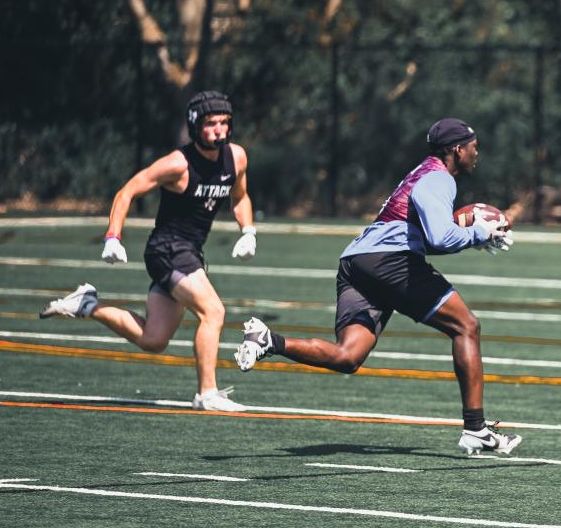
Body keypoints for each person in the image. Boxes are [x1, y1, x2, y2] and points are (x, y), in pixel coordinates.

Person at [234, 117, 521, 455]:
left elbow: (417, 234)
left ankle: (269, 340)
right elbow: (440, 237)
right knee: (467, 326)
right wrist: (478, 233)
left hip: (357, 262)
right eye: (473, 146)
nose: (477, 152)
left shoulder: (421, 173)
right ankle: (476, 429)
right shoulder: (438, 180)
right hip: (388, 261)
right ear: (457, 150)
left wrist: (471, 235)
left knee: (348, 356)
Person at [40, 91, 257, 412]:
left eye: (224, 122)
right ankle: (206, 393)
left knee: (153, 339)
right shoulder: (177, 164)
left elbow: (240, 196)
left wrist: (248, 231)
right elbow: (127, 191)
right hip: (166, 250)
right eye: (211, 123)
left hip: (190, 252)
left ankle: (87, 305)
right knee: (214, 312)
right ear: (196, 125)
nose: (219, 130)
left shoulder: (235, 157)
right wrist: (112, 237)